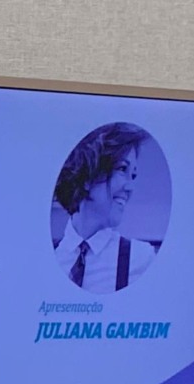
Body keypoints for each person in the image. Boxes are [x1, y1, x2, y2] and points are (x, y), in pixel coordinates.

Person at [51, 122, 160, 292]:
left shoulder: (140, 259)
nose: (131, 187)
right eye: (122, 169)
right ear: (87, 176)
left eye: (133, 175)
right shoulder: (50, 258)